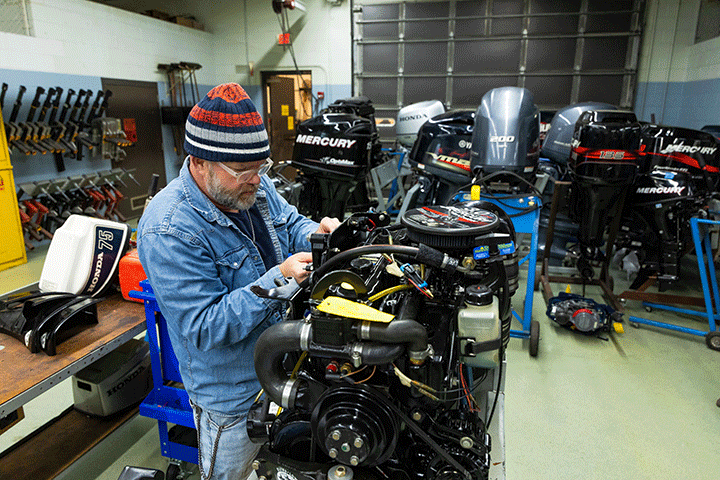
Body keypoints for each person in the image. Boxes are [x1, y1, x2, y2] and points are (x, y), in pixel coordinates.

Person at [137, 83, 340, 480]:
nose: (255, 180)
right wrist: (278, 280)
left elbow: (289, 222)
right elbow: (203, 326)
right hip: (233, 396)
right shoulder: (169, 230)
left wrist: (320, 233)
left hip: (282, 362)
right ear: (198, 162)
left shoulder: (252, 184)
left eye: (260, 168)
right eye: (242, 172)